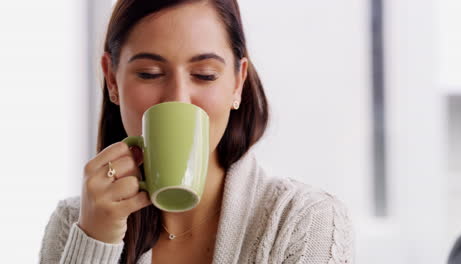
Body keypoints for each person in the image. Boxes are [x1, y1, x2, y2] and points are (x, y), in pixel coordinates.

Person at [39, 0, 354, 263]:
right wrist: (95, 243)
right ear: (112, 80)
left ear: (237, 83)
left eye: (204, 75)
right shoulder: (73, 223)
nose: (178, 98)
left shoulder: (304, 220)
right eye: (149, 74)